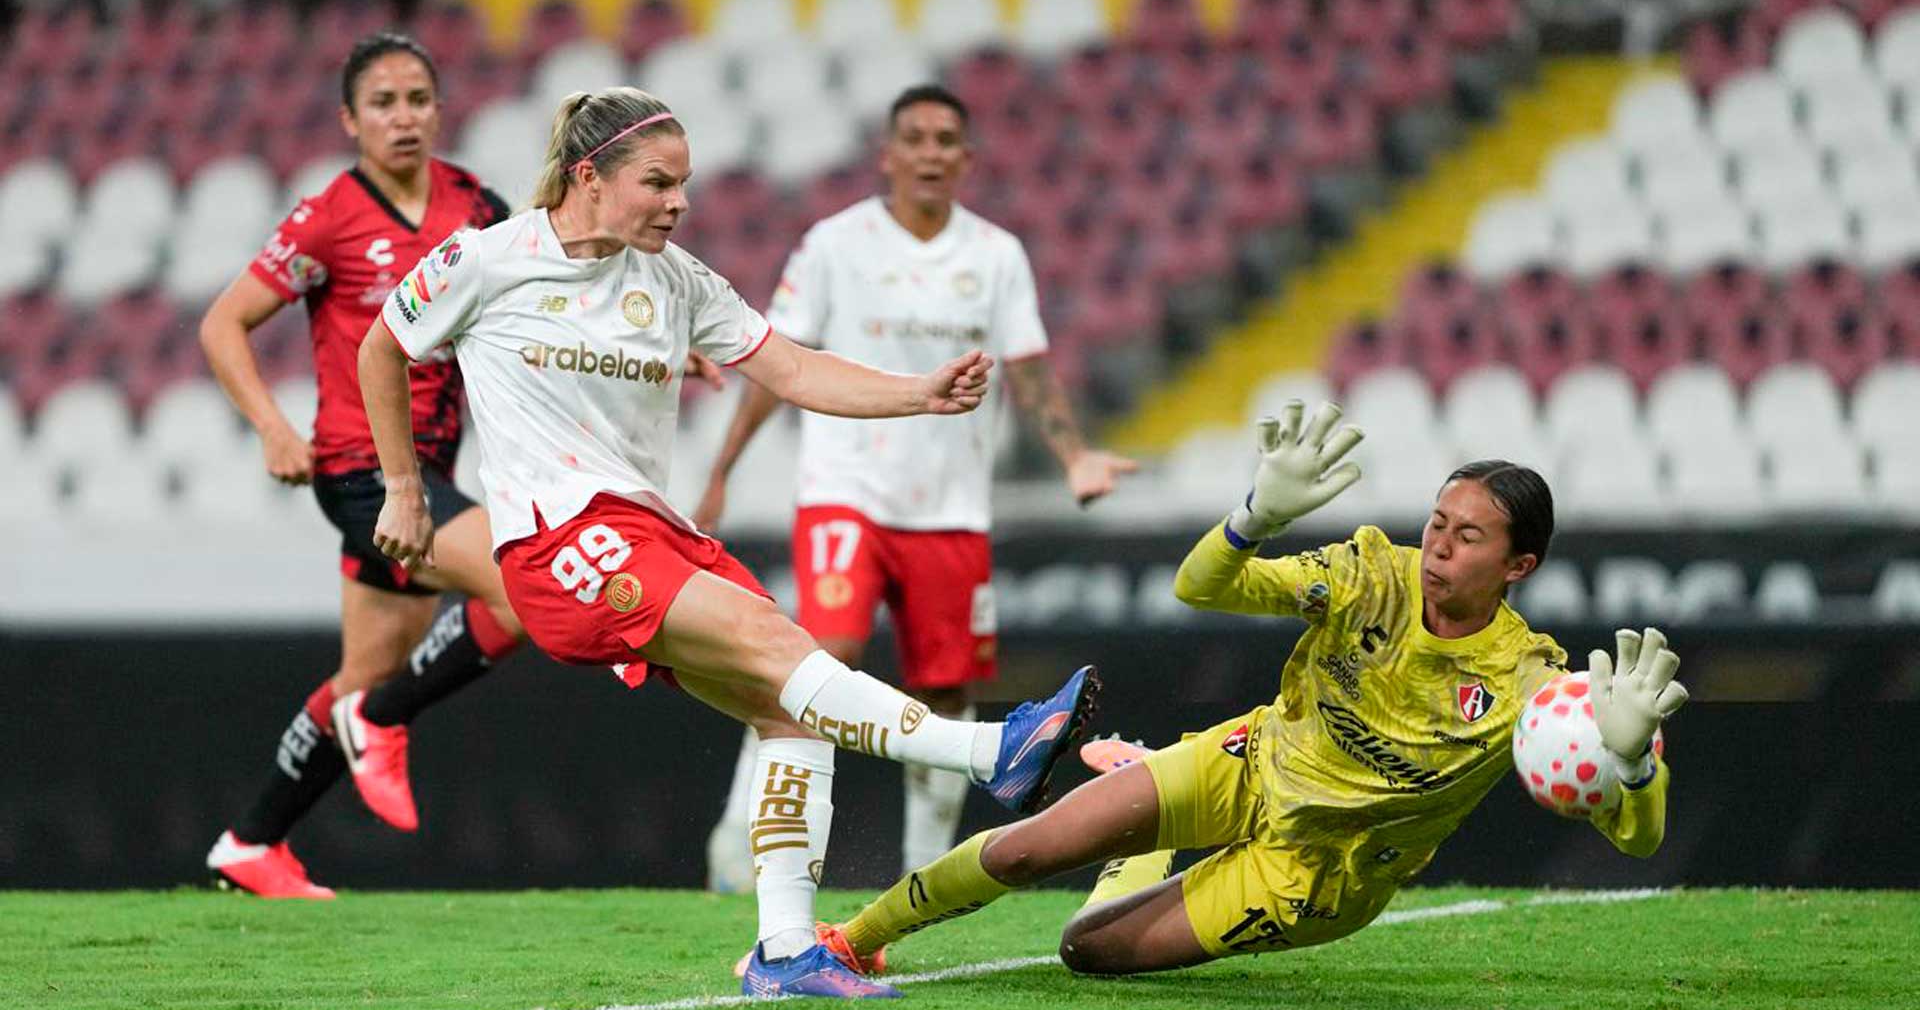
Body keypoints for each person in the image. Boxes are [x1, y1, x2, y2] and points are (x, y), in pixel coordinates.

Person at [356, 85, 1100, 999]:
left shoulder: (677, 280)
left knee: (789, 712)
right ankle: (991, 753)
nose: (679, 203)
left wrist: (918, 393)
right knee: (780, 644)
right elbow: (381, 348)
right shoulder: (486, 259)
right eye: (657, 183)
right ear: (588, 177)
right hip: (559, 541)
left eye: (685, 184)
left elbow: (794, 369)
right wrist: (405, 490)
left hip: (654, 530)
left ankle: (785, 950)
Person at [817, 402, 1688, 978]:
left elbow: (1640, 841)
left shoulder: (1531, 683)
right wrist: (1253, 520)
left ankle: (1138, 854)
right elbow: (1200, 587)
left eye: (1469, 537)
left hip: (1314, 874)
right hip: (1252, 761)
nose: (1440, 546)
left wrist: (1633, 766)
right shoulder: (1367, 574)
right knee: (1023, 852)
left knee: (1086, 952)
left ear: (1519, 565)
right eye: (1437, 522)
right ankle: (853, 942)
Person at [694, 84, 1138, 892]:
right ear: (888, 154)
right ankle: (740, 838)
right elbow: (778, 362)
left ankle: (921, 875)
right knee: (819, 658)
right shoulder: (834, 243)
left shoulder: (995, 254)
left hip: (950, 507)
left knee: (945, 685)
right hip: (845, 491)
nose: (930, 153)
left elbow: (1029, 369)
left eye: (945, 140)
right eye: (916, 138)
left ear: (966, 158)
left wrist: (1074, 456)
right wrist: (722, 469)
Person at [199, 33, 528, 898]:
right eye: (383, 103)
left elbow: (535, 303)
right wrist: (272, 428)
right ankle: (379, 720)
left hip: (433, 473)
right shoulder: (329, 218)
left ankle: (251, 843)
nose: (403, 117)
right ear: (350, 120)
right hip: (362, 474)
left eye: (418, 98)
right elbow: (223, 323)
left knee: (367, 669)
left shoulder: (477, 206)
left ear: (440, 109)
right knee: (526, 587)